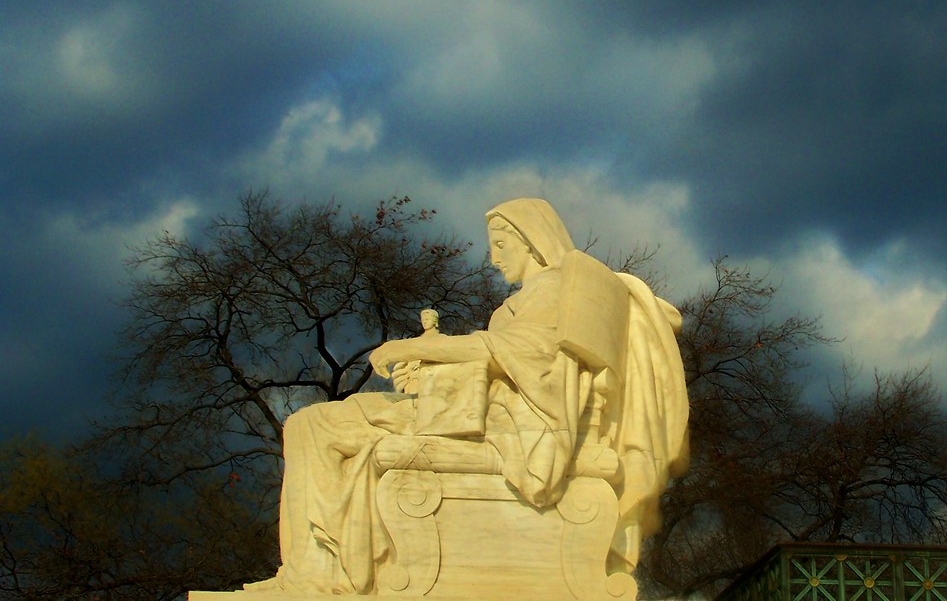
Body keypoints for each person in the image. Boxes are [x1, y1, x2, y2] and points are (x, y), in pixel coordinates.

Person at [245, 198, 687, 594]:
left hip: (518, 424)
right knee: (309, 425)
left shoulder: (556, 289)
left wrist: (412, 349)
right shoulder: (513, 306)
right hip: (478, 415)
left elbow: (515, 356)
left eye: (501, 244)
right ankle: (316, 568)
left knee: (315, 426)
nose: (494, 258)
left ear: (532, 242)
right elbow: (492, 362)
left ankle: (321, 573)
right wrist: (427, 374)